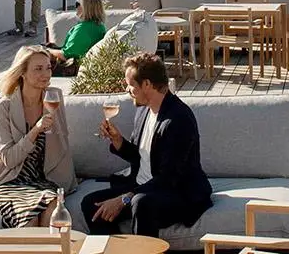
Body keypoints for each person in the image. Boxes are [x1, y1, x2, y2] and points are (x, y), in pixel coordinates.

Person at [80, 52, 212, 237]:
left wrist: (124, 199)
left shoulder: (178, 119)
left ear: (147, 84)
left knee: (141, 203)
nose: (127, 90)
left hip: (177, 192)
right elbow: (141, 157)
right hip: (142, 186)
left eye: (131, 85)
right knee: (90, 204)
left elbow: (169, 178)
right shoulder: (143, 111)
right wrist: (118, 141)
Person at [0, 46, 77, 227]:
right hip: (9, 181)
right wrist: (35, 130)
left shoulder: (53, 97)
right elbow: (9, 159)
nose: (46, 74)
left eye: (48, 67)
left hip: (43, 181)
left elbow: (62, 143)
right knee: (29, 216)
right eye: (38, 69)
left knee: (54, 208)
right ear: (22, 72)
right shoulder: (3, 108)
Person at [60, 0, 108, 65]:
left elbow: (67, 55)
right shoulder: (100, 27)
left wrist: (48, 51)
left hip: (75, 67)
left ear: (84, 8)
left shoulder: (82, 29)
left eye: (77, 4)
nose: (75, 7)